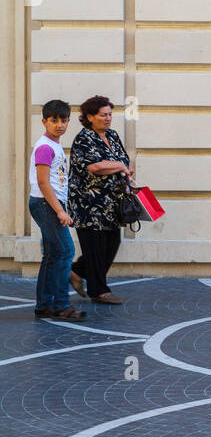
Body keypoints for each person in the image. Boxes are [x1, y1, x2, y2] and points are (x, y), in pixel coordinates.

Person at [67, 96, 132, 305]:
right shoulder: (84, 138)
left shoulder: (112, 135)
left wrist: (126, 168)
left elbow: (123, 159)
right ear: (90, 117)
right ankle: (100, 291)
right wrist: (120, 166)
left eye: (110, 114)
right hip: (89, 204)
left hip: (112, 203)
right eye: (103, 115)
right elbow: (95, 166)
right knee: (95, 247)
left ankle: (76, 272)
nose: (108, 118)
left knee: (112, 243)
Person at [28, 99, 86, 321]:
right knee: (65, 251)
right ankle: (62, 305)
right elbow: (43, 183)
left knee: (53, 255)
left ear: (69, 121)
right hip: (46, 204)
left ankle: (44, 306)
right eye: (54, 120)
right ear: (44, 121)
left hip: (47, 204)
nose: (59, 124)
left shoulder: (53, 144)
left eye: (63, 120)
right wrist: (60, 211)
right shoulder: (44, 146)